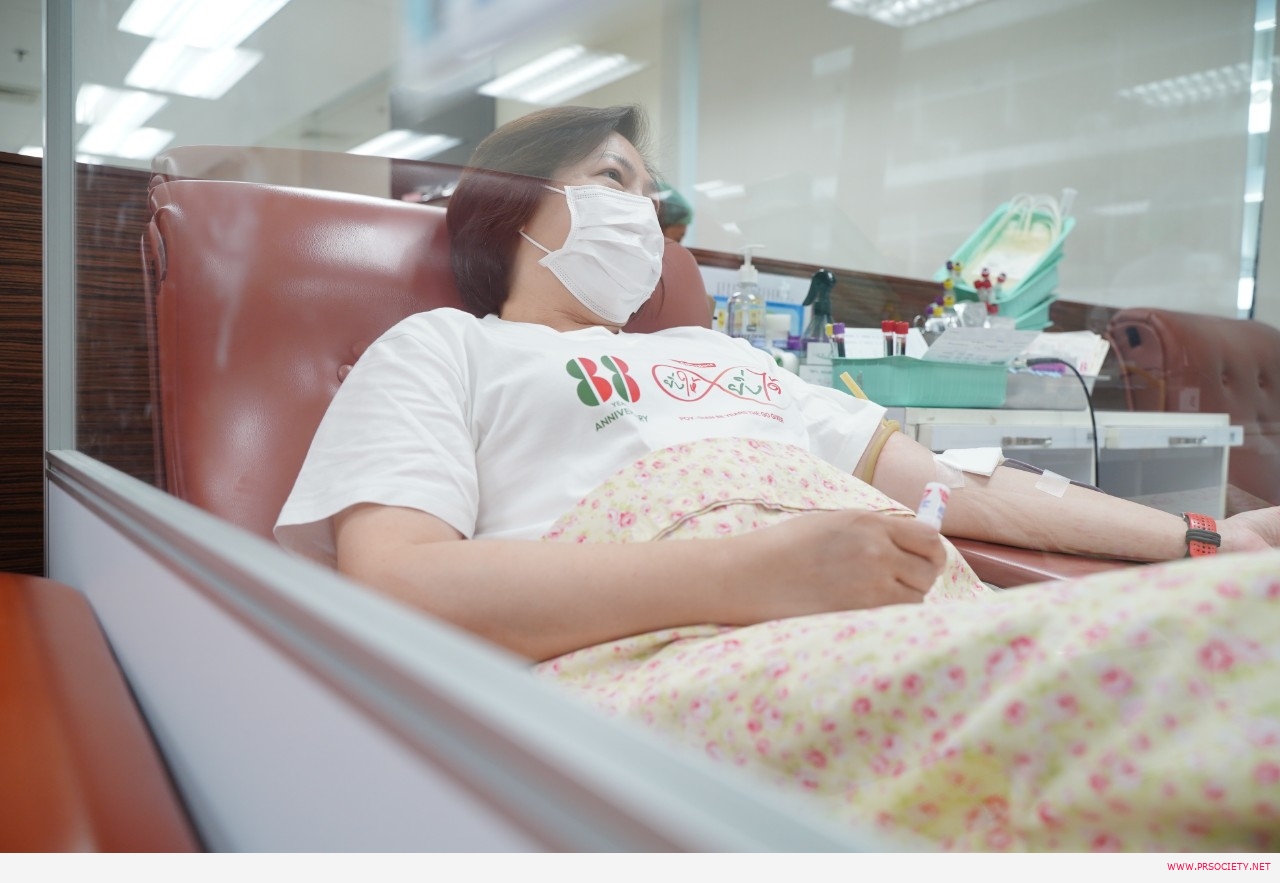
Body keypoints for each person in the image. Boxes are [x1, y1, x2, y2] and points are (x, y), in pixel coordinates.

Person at [276, 105, 1280, 851]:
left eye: (651, 194)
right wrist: (752, 572)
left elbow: (960, 484)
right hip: (673, 654)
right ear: (513, 204)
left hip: (892, 614)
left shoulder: (730, 358)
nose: (648, 213)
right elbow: (395, 580)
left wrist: (1203, 538)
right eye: (614, 178)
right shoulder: (445, 348)